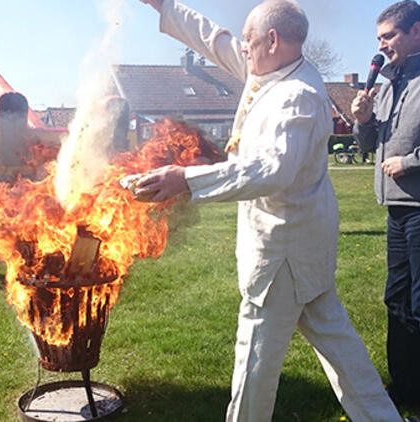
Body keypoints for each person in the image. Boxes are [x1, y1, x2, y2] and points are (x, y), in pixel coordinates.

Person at [136, 0, 402, 420]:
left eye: (249, 39)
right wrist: (164, 5)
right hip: (304, 250)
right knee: (344, 355)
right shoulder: (269, 71)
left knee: (253, 366)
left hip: (283, 258)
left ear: (272, 40)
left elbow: (272, 170)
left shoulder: (296, 96)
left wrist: (186, 180)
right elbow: (216, 40)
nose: (241, 47)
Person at [351, 0, 420, 409]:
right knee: (397, 300)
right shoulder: (387, 83)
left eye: (390, 36)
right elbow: (366, 147)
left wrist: (410, 162)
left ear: (416, 32)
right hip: (396, 210)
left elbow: (402, 156)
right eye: (379, 38)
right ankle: (406, 389)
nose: (382, 46)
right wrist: (362, 119)